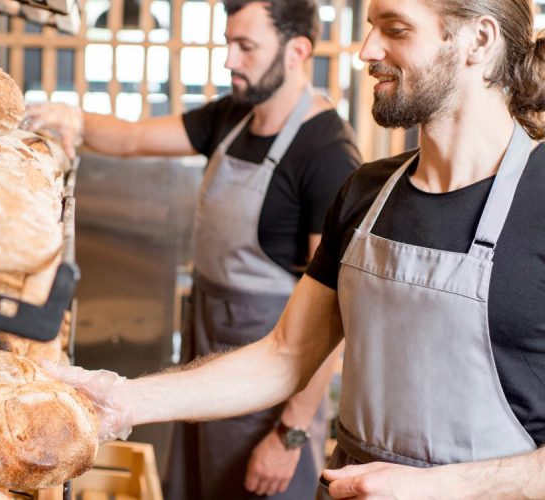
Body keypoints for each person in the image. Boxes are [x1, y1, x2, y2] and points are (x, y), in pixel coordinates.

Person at [36, 0, 545, 498]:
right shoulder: (365, 194)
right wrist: (123, 401)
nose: (367, 50)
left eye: (395, 29)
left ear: (478, 40)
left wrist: (441, 487)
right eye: (371, 28)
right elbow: (286, 356)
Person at [26, 1, 360, 498]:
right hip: (204, 370)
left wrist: (288, 436)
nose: (230, 60)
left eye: (246, 47)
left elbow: (330, 320)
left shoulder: (327, 153)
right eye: (229, 43)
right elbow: (133, 140)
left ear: (297, 52)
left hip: (265, 396)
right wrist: (68, 116)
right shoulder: (232, 115)